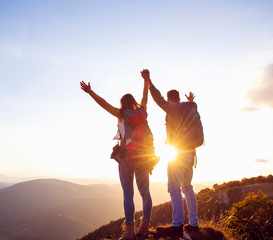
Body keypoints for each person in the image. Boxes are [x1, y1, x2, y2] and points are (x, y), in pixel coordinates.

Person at [80, 71, 158, 240]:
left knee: (128, 194)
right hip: (144, 157)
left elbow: (103, 103)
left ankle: (130, 231)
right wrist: (146, 81)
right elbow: (145, 98)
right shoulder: (143, 111)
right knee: (145, 193)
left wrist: (90, 92)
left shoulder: (121, 114)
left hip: (127, 159)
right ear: (134, 102)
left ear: (122, 103)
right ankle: (144, 228)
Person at [141, 69, 199, 238]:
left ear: (169, 100)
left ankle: (177, 225)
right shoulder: (188, 108)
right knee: (187, 187)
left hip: (178, 154)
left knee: (173, 188)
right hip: (191, 154)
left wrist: (149, 82)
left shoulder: (171, 109)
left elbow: (157, 98)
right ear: (180, 99)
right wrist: (190, 102)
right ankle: (193, 224)